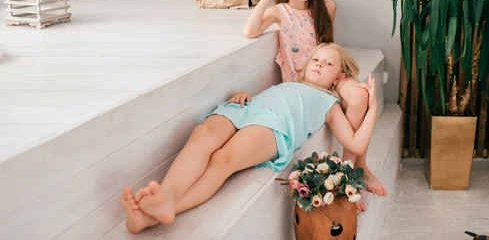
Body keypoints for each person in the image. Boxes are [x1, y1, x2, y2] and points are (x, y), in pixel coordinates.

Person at [120, 43, 378, 233]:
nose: (319, 64)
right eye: (316, 59)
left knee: (223, 158)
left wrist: (372, 109)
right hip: (248, 107)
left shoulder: (329, 103)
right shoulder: (291, 82)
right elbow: (270, 94)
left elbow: (354, 143)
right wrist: (246, 94)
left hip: (276, 126)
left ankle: (165, 210)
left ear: (339, 78)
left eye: (328, 63)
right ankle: (166, 193)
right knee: (203, 134)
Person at [243, 0, 387, 208]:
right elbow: (250, 30)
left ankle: (354, 167)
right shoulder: (280, 12)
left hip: (329, 71)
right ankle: (348, 178)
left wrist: (338, 72)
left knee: (361, 95)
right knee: (353, 97)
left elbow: (327, 44)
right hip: (306, 81)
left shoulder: (326, 7)